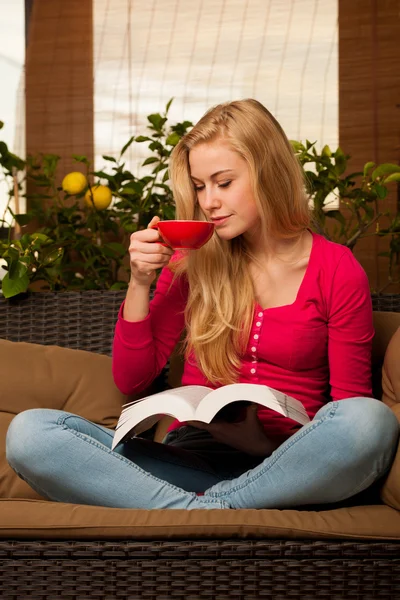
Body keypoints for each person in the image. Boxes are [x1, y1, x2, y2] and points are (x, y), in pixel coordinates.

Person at [6, 99, 399, 510]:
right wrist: (140, 281)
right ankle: (216, 509)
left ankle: (195, 510)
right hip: (185, 462)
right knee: (30, 433)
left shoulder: (336, 269)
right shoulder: (194, 258)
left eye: (223, 182)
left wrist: (261, 444)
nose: (208, 201)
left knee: (369, 421)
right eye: (199, 185)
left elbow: (349, 407)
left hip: (287, 467)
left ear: (268, 173)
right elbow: (132, 380)